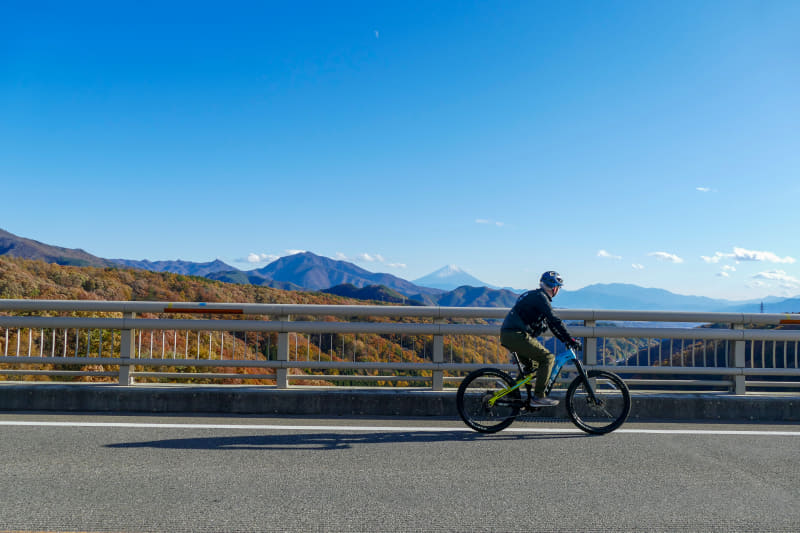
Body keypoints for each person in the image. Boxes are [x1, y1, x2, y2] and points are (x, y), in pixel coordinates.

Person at [500, 270, 582, 407]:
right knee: (548, 359)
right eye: (559, 288)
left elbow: (552, 325)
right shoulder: (540, 298)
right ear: (554, 287)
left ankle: (511, 395)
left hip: (511, 334)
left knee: (533, 367)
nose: (558, 291)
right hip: (515, 335)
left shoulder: (537, 296)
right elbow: (555, 320)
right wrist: (571, 340)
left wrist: (566, 340)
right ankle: (538, 397)